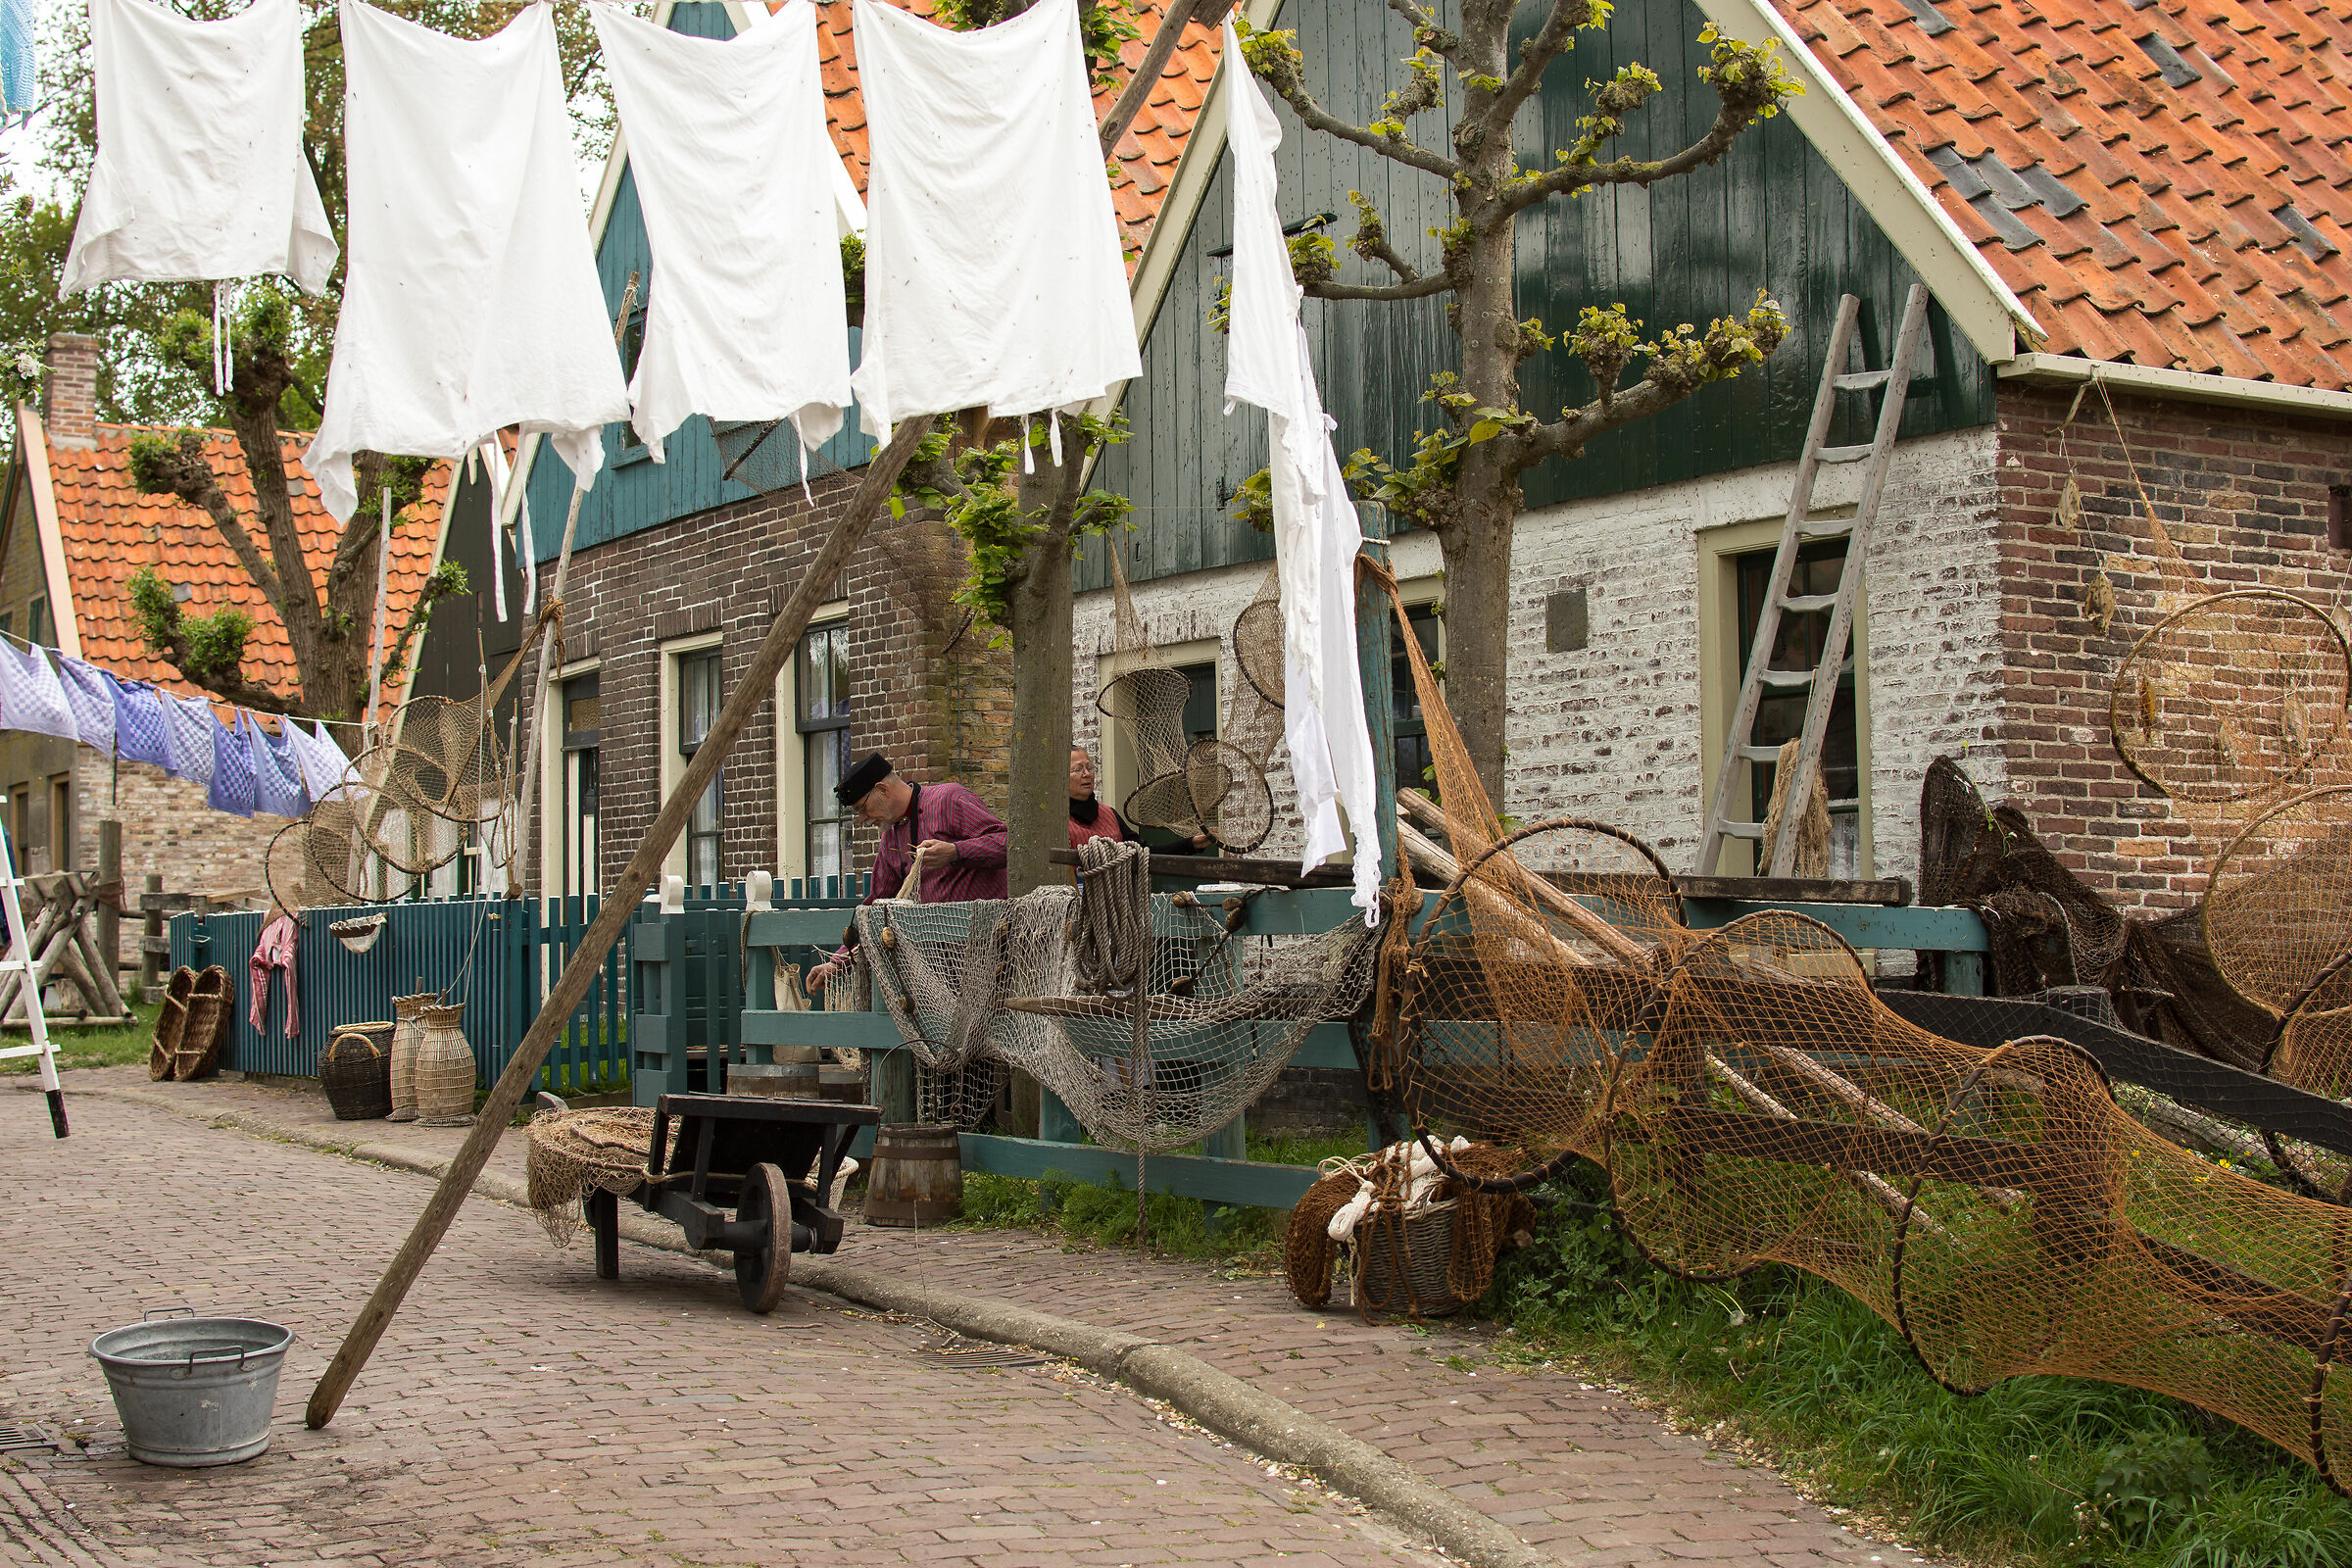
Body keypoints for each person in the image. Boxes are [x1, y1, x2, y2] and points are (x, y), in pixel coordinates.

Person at [806, 753, 1007, 991]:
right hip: (938, 971)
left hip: (990, 955)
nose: (862, 819)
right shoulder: (890, 840)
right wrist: (837, 963)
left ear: (882, 789)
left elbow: (1007, 844)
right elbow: (876, 907)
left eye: (862, 807)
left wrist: (955, 851)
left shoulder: (949, 800)